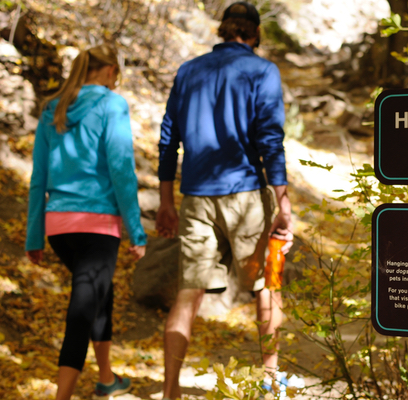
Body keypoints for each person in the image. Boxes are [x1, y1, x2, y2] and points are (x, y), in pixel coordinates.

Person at [155, 2, 294, 398]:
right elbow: (271, 141)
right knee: (267, 286)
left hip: (196, 197)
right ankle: (270, 383)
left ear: (223, 30)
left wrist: (166, 200)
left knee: (187, 294)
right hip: (247, 194)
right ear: (254, 34)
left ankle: (169, 391)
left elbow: (169, 140)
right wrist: (282, 202)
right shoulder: (262, 71)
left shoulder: (189, 70)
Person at [24, 43, 147, 400]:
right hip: (97, 227)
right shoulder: (112, 105)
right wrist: (136, 231)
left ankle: (106, 378)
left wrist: (34, 235)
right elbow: (122, 169)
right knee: (82, 309)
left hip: (58, 228)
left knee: (97, 293)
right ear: (109, 71)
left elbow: (38, 177)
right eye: (117, 77)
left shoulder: (54, 108)